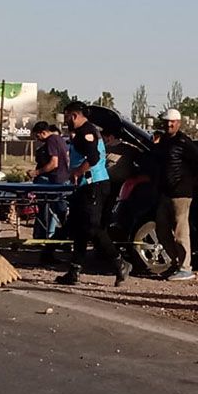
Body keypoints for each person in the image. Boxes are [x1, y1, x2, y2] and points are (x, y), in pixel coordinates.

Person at [55, 102, 131, 286]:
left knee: (93, 228)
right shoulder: (81, 133)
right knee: (79, 228)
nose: (65, 121)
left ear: (73, 115)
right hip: (83, 187)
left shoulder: (86, 132)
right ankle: (74, 271)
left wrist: (77, 172)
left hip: (94, 185)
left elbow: (94, 158)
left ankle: (119, 262)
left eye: (66, 116)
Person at [154, 108, 198, 281]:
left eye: (173, 122)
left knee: (180, 231)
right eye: (167, 121)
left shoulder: (183, 141)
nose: (169, 124)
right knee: (161, 229)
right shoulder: (163, 140)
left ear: (178, 123)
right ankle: (175, 263)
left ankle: (186, 267)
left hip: (181, 193)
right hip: (165, 193)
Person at [27, 122, 71, 263]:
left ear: (42, 132)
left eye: (37, 135)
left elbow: (54, 163)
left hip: (55, 182)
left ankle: (55, 241)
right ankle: (60, 242)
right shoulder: (60, 140)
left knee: (55, 213)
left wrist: (36, 172)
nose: (37, 138)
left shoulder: (51, 141)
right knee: (60, 214)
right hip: (62, 180)